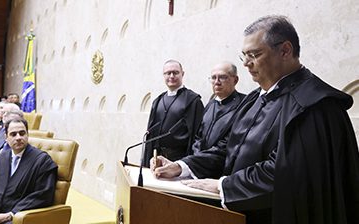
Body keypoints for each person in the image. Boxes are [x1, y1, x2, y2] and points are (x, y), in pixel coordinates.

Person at [152, 15, 359, 224]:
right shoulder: (255, 98)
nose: (246, 64)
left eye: (254, 54)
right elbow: (230, 148)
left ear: (285, 51)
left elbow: (287, 172)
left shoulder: (313, 106)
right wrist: (183, 166)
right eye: (244, 55)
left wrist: (225, 187)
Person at [0, 118, 57, 223]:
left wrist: (10, 215)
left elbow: (43, 195)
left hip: (19, 217)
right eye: (13, 134)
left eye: (22, 133)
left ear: (27, 135)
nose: (18, 138)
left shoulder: (42, 161)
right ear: (6, 138)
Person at [143, 59, 204, 167]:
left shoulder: (192, 100)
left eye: (175, 72)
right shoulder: (158, 101)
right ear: (164, 75)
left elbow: (197, 137)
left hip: (179, 161)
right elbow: (150, 134)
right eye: (168, 73)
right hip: (156, 158)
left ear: (182, 74)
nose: (171, 76)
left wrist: (191, 165)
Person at [191, 62, 245, 157]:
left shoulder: (244, 104)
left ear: (235, 80)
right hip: (200, 163)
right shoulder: (211, 104)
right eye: (213, 78)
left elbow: (231, 142)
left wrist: (201, 158)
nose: (217, 82)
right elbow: (199, 136)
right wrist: (197, 154)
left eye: (222, 77)